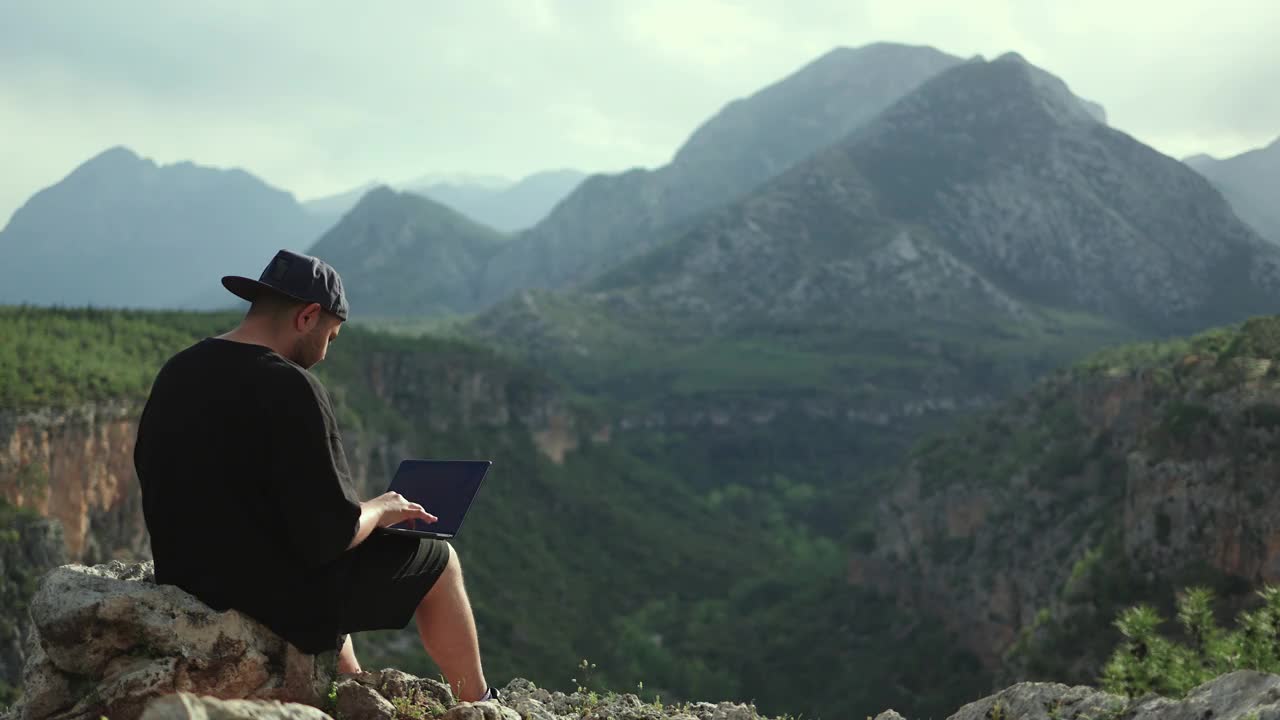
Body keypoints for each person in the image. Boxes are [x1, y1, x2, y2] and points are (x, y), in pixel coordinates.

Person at [133, 249, 495, 702]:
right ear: (307, 317)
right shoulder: (290, 386)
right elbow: (332, 534)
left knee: (322, 557)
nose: (325, 353)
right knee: (440, 562)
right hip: (261, 595)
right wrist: (382, 507)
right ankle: (479, 702)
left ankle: (352, 687)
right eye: (332, 336)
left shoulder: (178, 370)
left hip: (186, 574)